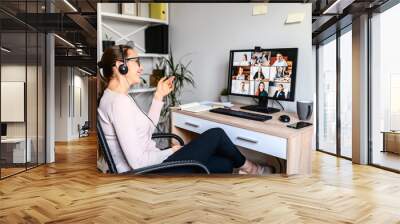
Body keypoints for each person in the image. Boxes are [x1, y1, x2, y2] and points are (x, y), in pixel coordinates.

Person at [97, 45, 268, 174]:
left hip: (152, 164)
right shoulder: (117, 103)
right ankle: (255, 169)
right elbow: (138, 163)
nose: (141, 68)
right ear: (121, 65)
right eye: (137, 62)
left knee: (225, 163)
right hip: (147, 174)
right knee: (216, 134)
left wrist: (158, 96)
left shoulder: (117, 97)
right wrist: (170, 151)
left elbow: (145, 133)